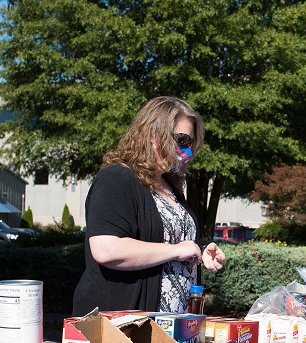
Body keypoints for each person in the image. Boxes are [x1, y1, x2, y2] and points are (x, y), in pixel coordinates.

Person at [72, 96, 225, 315]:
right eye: (181, 140)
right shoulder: (116, 178)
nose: (187, 152)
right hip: (124, 327)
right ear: (153, 134)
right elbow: (106, 249)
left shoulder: (169, 185)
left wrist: (198, 253)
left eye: (190, 143)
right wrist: (176, 250)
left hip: (174, 328)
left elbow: (159, 244)